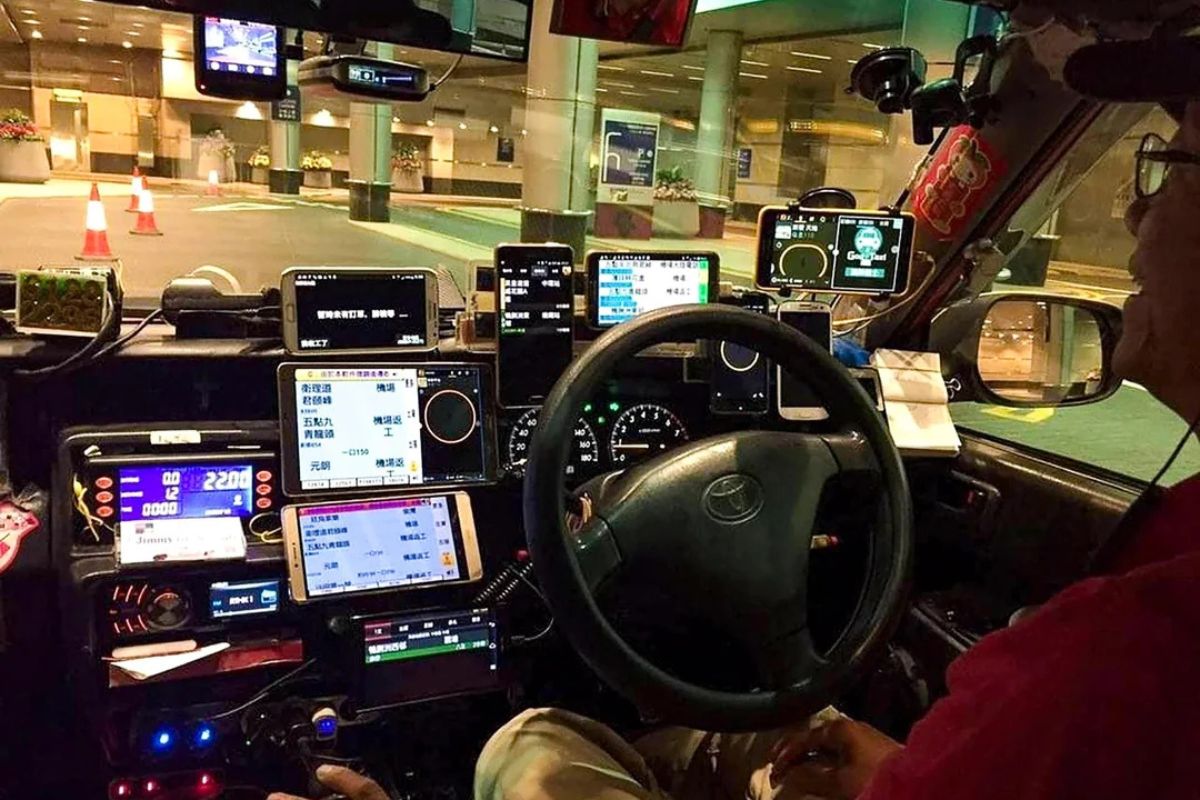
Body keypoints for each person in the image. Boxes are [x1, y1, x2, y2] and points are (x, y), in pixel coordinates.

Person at [271, 96, 1200, 800]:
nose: (1132, 215)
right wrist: (901, 768)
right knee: (796, 728)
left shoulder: (1113, 658)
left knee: (536, 737)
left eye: (1170, 167)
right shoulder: (1140, 617)